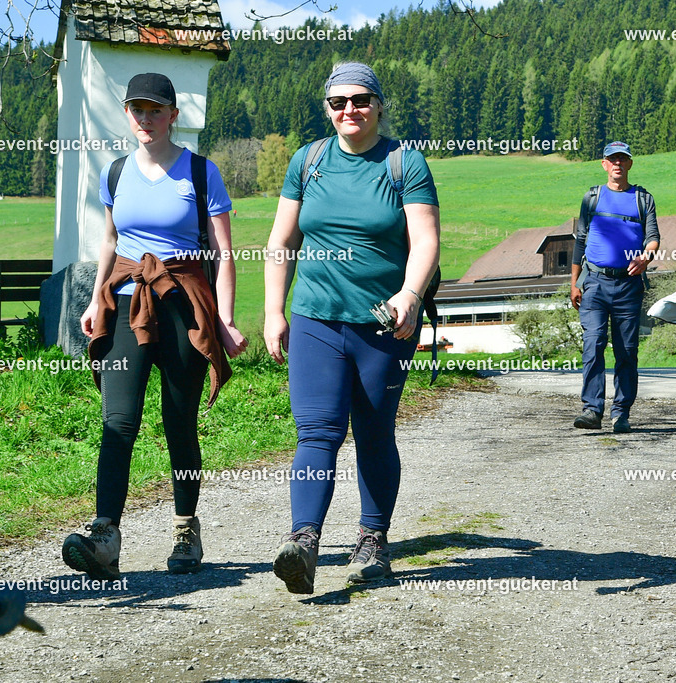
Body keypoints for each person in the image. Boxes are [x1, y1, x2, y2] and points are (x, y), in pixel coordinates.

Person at [62, 73, 248, 580]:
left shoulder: (202, 174)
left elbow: (223, 254)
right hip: (125, 303)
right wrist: (97, 300)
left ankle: (186, 527)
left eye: (154, 109)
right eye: (136, 110)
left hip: (181, 306)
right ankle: (105, 535)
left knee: (178, 421)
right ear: (128, 114)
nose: (145, 119)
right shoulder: (115, 173)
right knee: (117, 419)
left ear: (173, 115)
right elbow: (109, 241)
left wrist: (225, 320)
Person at [263, 62, 440, 594]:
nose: (349, 110)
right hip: (316, 318)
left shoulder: (404, 163)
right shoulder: (308, 160)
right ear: (327, 109)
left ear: (379, 105)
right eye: (338, 102)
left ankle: (372, 540)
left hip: (382, 326)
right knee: (316, 431)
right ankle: (304, 542)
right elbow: (282, 241)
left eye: (360, 100)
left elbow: (426, 239)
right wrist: (275, 311)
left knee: (373, 431)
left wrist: (409, 295)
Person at [570, 141, 659, 433]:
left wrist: (647, 256)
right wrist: (574, 283)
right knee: (593, 343)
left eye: (623, 159)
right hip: (594, 282)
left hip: (629, 285)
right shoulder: (592, 198)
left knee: (626, 351)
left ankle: (621, 412)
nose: (618, 164)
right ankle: (592, 410)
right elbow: (580, 241)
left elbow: (653, 237)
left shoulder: (643, 199)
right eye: (612, 159)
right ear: (604, 164)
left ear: (630, 164)